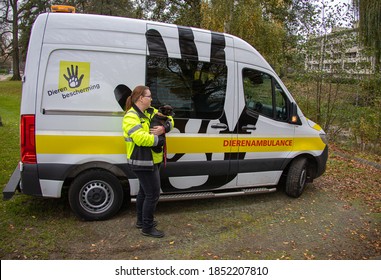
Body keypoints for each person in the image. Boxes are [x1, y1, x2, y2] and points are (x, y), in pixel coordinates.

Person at [122, 85, 174, 238]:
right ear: (140, 98)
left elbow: (170, 120)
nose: (151, 99)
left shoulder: (150, 111)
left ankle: (141, 222)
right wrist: (159, 139)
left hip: (153, 160)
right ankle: (147, 227)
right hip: (142, 161)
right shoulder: (131, 116)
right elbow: (140, 138)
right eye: (149, 96)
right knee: (152, 194)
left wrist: (164, 128)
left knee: (144, 192)